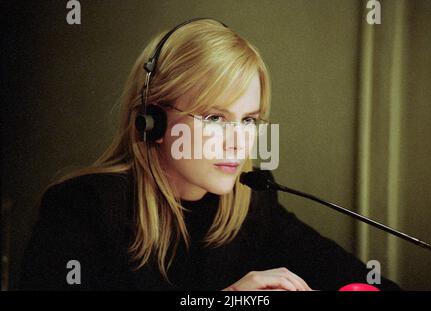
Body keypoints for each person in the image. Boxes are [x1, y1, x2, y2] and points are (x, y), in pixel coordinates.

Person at [20, 18, 399, 291]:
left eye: (249, 120)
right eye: (216, 117)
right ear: (152, 119)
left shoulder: (251, 204)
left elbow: (360, 278)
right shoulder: (82, 207)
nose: (238, 141)